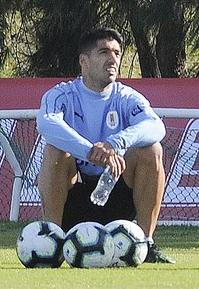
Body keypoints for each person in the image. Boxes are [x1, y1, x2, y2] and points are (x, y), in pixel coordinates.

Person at [36, 27, 175, 264]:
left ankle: (146, 243)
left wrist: (115, 143)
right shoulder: (62, 95)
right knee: (55, 150)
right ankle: (54, 241)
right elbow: (47, 124)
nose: (112, 59)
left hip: (116, 194)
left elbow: (155, 126)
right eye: (103, 52)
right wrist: (91, 152)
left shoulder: (127, 97)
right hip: (74, 198)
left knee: (152, 150)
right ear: (84, 61)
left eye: (117, 53)